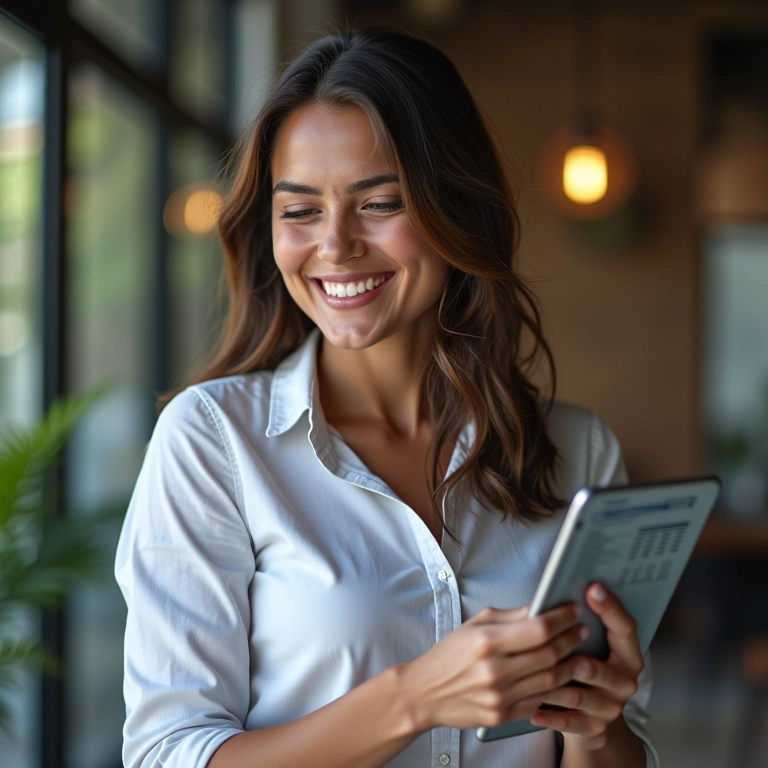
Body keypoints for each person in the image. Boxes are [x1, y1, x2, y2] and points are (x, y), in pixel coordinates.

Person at [115, 29, 659, 768]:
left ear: (456, 209)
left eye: (379, 203)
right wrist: (415, 698)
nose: (335, 246)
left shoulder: (579, 451)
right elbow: (167, 755)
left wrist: (595, 724)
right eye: (300, 211)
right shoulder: (211, 442)